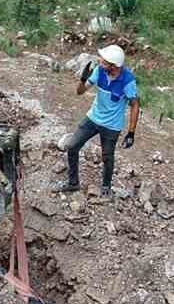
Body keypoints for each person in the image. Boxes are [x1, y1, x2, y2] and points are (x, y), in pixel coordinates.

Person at [54, 44, 139, 197]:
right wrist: (83, 79)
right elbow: (80, 92)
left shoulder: (127, 80)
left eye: (104, 61)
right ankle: (73, 183)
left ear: (113, 66)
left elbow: (134, 105)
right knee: (72, 146)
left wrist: (131, 132)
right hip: (92, 118)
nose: (100, 62)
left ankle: (106, 187)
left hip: (112, 126)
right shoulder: (99, 71)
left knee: (107, 157)